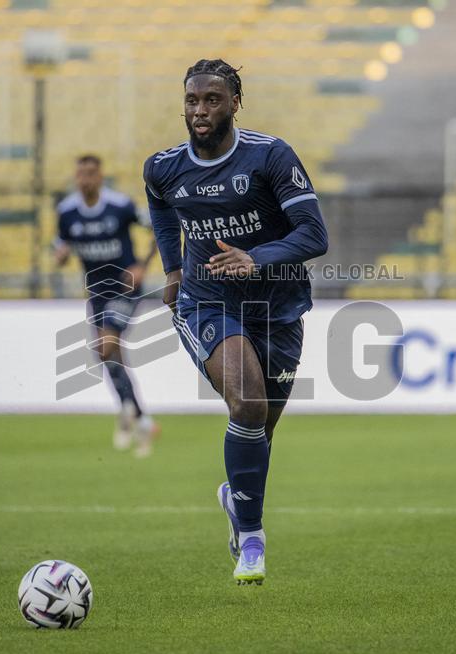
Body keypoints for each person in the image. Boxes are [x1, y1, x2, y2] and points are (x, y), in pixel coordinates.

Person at [143, 59, 328, 584]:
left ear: (235, 103)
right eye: (192, 100)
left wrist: (257, 257)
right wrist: (175, 270)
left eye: (212, 100)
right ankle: (252, 539)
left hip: (279, 306)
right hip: (208, 301)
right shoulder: (163, 166)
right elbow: (160, 205)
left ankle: (234, 495)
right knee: (246, 401)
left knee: (259, 431)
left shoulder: (270, 156)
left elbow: (314, 235)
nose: (200, 110)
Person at [55, 154, 159, 457]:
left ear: (100, 177)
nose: (86, 179)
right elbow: (60, 242)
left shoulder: (120, 206)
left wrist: (142, 265)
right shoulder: (67, 211)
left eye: (91, 173)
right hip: (97, 291)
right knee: (109, 356)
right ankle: (137, 416)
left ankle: (132, 415)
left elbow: (157, 228)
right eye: (81, 174)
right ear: (76, 178)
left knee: (106, 346)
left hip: (126, 287)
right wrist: (61, 254)